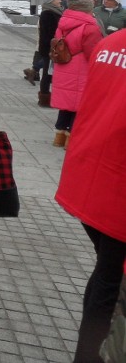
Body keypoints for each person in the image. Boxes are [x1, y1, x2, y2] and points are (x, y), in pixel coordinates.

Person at [55, 28, 126, 363]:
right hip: (117, 188)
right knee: (111, 282)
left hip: (90, 175)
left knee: (106, 275)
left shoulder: (112, 43)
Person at [50, 0, 103, 148]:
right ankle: (71, 139)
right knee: (79, 105)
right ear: (86, 5)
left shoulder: (64, 21)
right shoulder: (90, 25)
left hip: (65, 65)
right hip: (82, 69)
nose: (95, 1)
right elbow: (92, 52)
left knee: (67, 104)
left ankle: (59, 136)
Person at [25, 0, 63, 107]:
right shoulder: (48, 13)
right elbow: (49, 32)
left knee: (49, 72)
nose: (59, 1)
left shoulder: (55, 11)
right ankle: (44, 97)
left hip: (51, 46)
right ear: (50, 1)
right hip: (49, 47)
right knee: (47, 74)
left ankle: (46, 96)